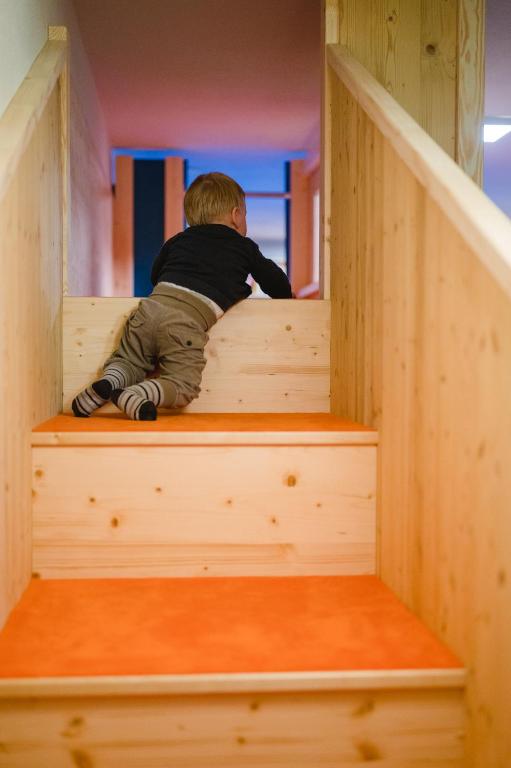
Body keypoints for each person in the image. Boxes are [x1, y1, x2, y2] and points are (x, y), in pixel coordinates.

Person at [72, 171, 293, 421]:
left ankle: (109, 382)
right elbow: (276, 283)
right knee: (184, 385)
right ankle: (137, 394)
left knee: (129, 361)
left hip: (148, 311)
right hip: (184, 324)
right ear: (236, 215)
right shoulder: (244, 247)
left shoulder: (178, 240)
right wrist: (285, 296)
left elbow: (156, 275)